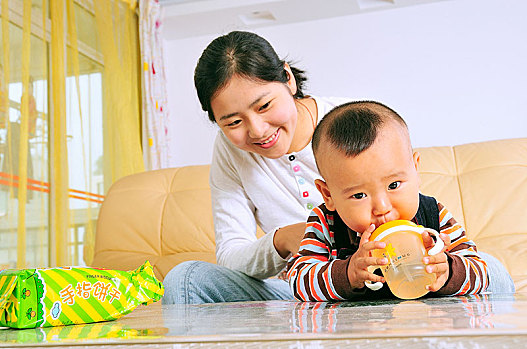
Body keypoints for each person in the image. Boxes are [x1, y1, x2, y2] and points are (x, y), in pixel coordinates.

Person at [162, 31, 514, 304]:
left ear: (288, 79)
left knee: (494, 273)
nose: (257, 130)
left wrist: (445, 269)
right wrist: (290, 243)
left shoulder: (357, 124)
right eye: (233, 121)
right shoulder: (237, 158)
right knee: (185, 280)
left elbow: (461, 252)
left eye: (265, 105)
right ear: (326, 193)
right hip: (315, 290)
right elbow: (243, 259)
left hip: (411, 279)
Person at [286, 101, 502, 301]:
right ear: (328, 195)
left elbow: (480, 271)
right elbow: (298, 282)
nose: (382, 207)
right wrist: (349, 272)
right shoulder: (326, 223)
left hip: (428, 327)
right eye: (359, 195)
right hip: (363, 332)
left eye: (393, 185)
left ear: (416, 171)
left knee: (493, 267)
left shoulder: (433, 214)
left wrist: (447, 270)